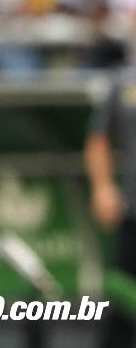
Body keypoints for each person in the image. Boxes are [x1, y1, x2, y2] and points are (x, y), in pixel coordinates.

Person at [84, 65, 136, 348]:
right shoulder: (124, 82)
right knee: (122, 307)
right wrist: (103, 188)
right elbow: (99, 139)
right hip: (132, 212)